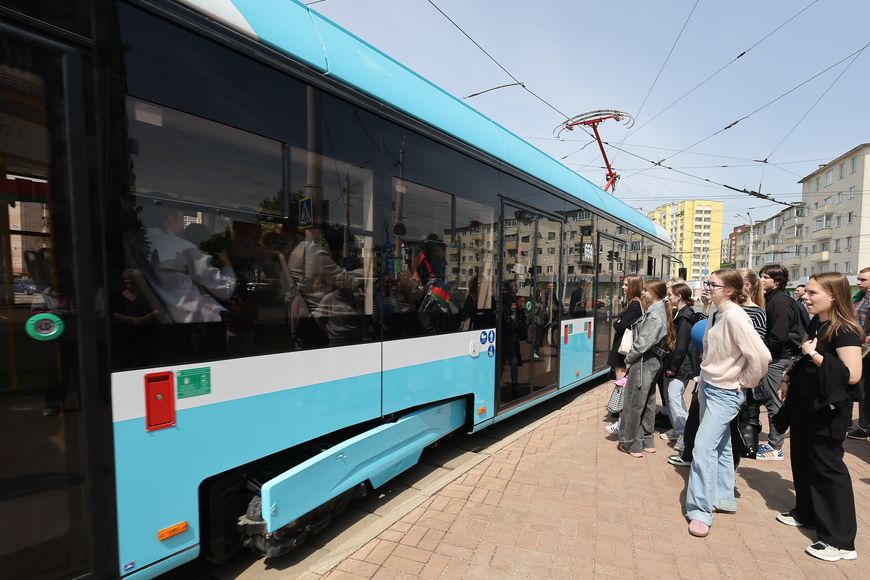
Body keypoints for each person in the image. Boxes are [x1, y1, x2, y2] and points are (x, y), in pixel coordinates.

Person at [776, 273, 861, 562]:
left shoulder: (845, 330)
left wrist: (813, 355)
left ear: (833, 296)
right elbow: (804, 356)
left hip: (827, 411)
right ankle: (807, 512)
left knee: (827, 470)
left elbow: (852, 374)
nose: (805, 297)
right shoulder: (818, 322)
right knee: (803, 460)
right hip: (806, 406)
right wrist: (788, 378)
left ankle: (840, 541)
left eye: (813, 293)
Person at [685, 269, 770, 538]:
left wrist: (744, 381)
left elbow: (761, 356)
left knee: (702, 447)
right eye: (707, 283)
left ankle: (700, 511)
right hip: (709, 386)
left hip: (726, 392)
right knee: (721, 444)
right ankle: (723, 498)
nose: (707, 288)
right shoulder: (716, 312)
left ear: (730, 290)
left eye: (713, 284)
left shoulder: (735, 316)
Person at [617, 279, 674, 458]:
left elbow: (643, 342)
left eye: (645, 291)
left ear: (654, 293)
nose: (642, 293)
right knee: (648, 402)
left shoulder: (655, 314)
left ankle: (630, 443)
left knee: (634, 403)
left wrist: (629, 358)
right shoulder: (659, 310)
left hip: (644, 361)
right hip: (652, 361)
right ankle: (647, 441)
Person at [756, 264, 804, 461]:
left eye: (766, 277)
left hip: (777, 358)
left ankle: (775, 446)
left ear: (777, 281)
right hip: (775, 356)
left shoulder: (780, 301)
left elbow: (778, 336)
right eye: (761, 275)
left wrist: (762, 355)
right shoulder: (772, 298)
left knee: (774, 401)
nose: (761, 279)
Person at [660, 283, 699, 452]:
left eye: (670, 294)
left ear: (679, 296)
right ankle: (678, 430)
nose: (668, 298)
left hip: (680, 365)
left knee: (674, 397)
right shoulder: (681, 313)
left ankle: (685, 434)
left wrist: (673, 367)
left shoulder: (685, 316)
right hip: (676, 364)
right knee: (671, 398)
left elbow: (681, 346)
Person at [846, 266, 870, 440]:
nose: (859, 282)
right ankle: (862, 424)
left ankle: (865, 427)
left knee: (865, 388)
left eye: (863, 279)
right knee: (860, 386)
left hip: (866, 349)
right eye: (859, 279)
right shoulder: (860, 297)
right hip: (858, 346)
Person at [608, 275, 643, 381]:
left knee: (621, 383)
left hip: (623, 349)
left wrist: (617, 322)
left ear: (634, 287)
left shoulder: (635, 304)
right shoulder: (631, 303)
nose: (623, 287)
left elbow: (619, 326)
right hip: (622, 348)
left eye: (626, 285)